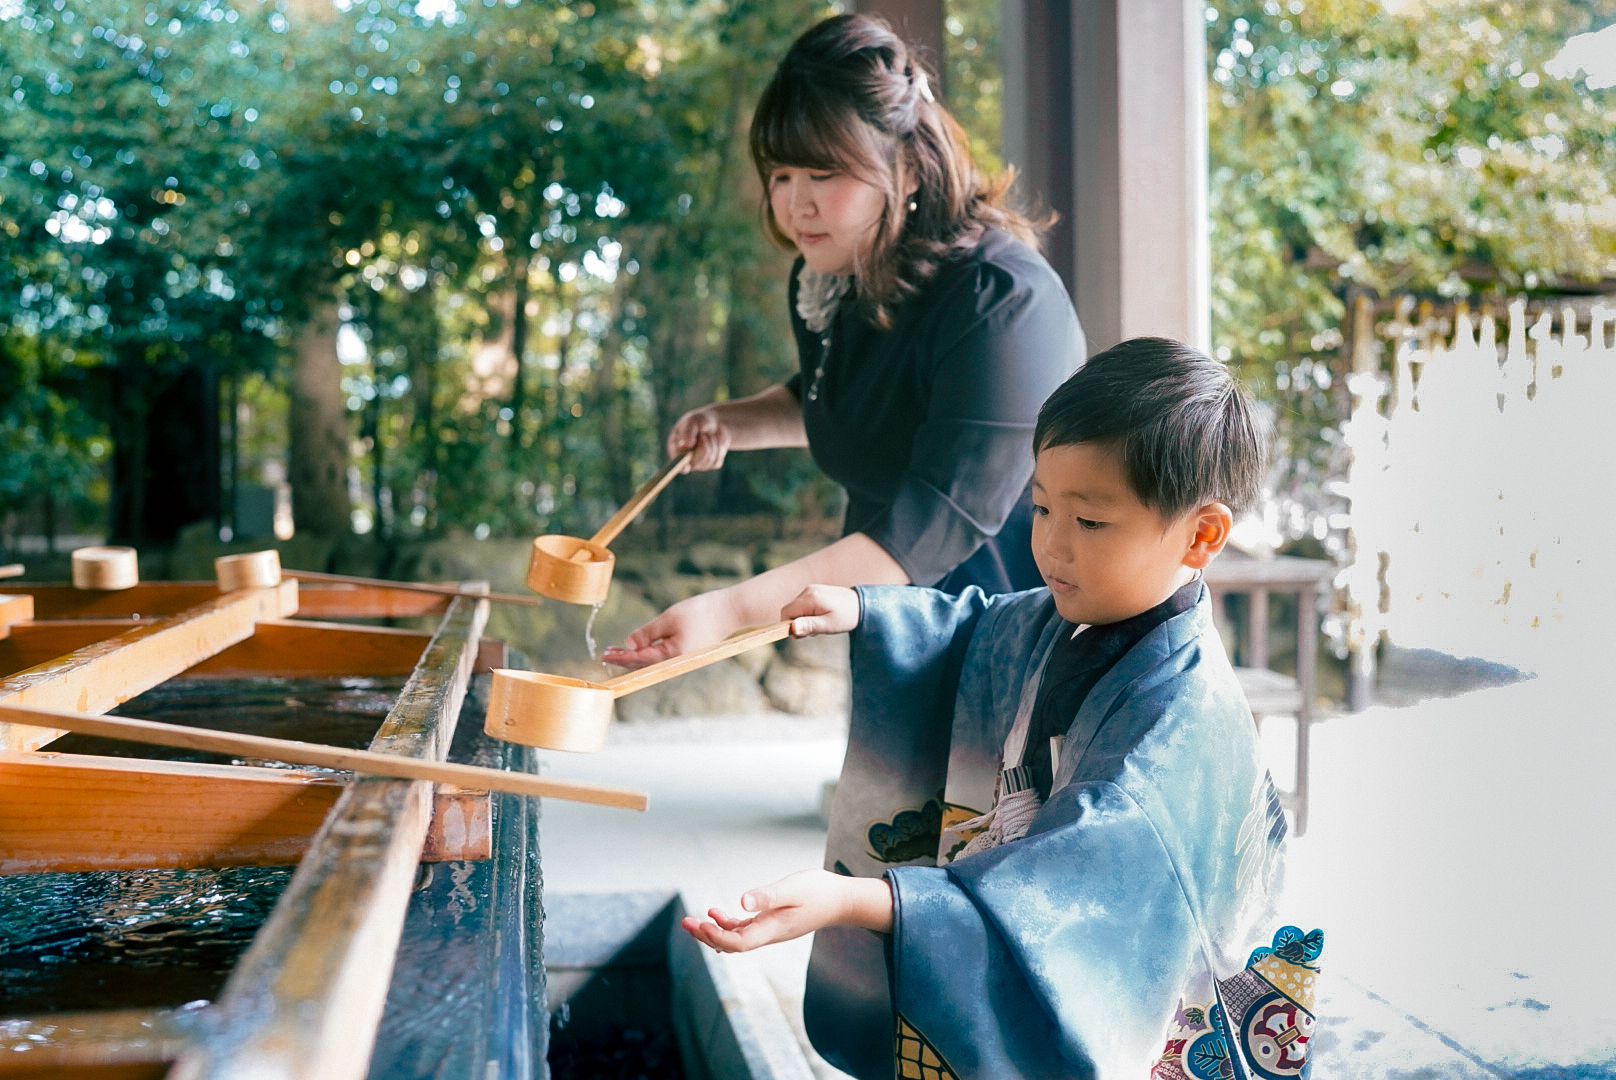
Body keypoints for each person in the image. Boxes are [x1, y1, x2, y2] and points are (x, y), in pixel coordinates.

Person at [682, 339, 1317, 1079]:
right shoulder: (1081, 619)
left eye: (1089, 522)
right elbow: (976, 628)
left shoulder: (1175, 730)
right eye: (1041, 507)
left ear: (1202, 534)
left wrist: (856, 900)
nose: (1049, 545)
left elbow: (1056, 896)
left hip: (1168, 1019)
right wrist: (866, 612)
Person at [604, 13, 1082, 668]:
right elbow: (853, 400)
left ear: (908, 170)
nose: (795, 204)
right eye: (780, 174)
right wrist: (732, 422)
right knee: (889, 777)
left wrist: (728, 613)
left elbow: (931, 527)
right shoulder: (836, 274)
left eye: (824, 174)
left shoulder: (1000, 299)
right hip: (894, 622)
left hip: (1012, 636)